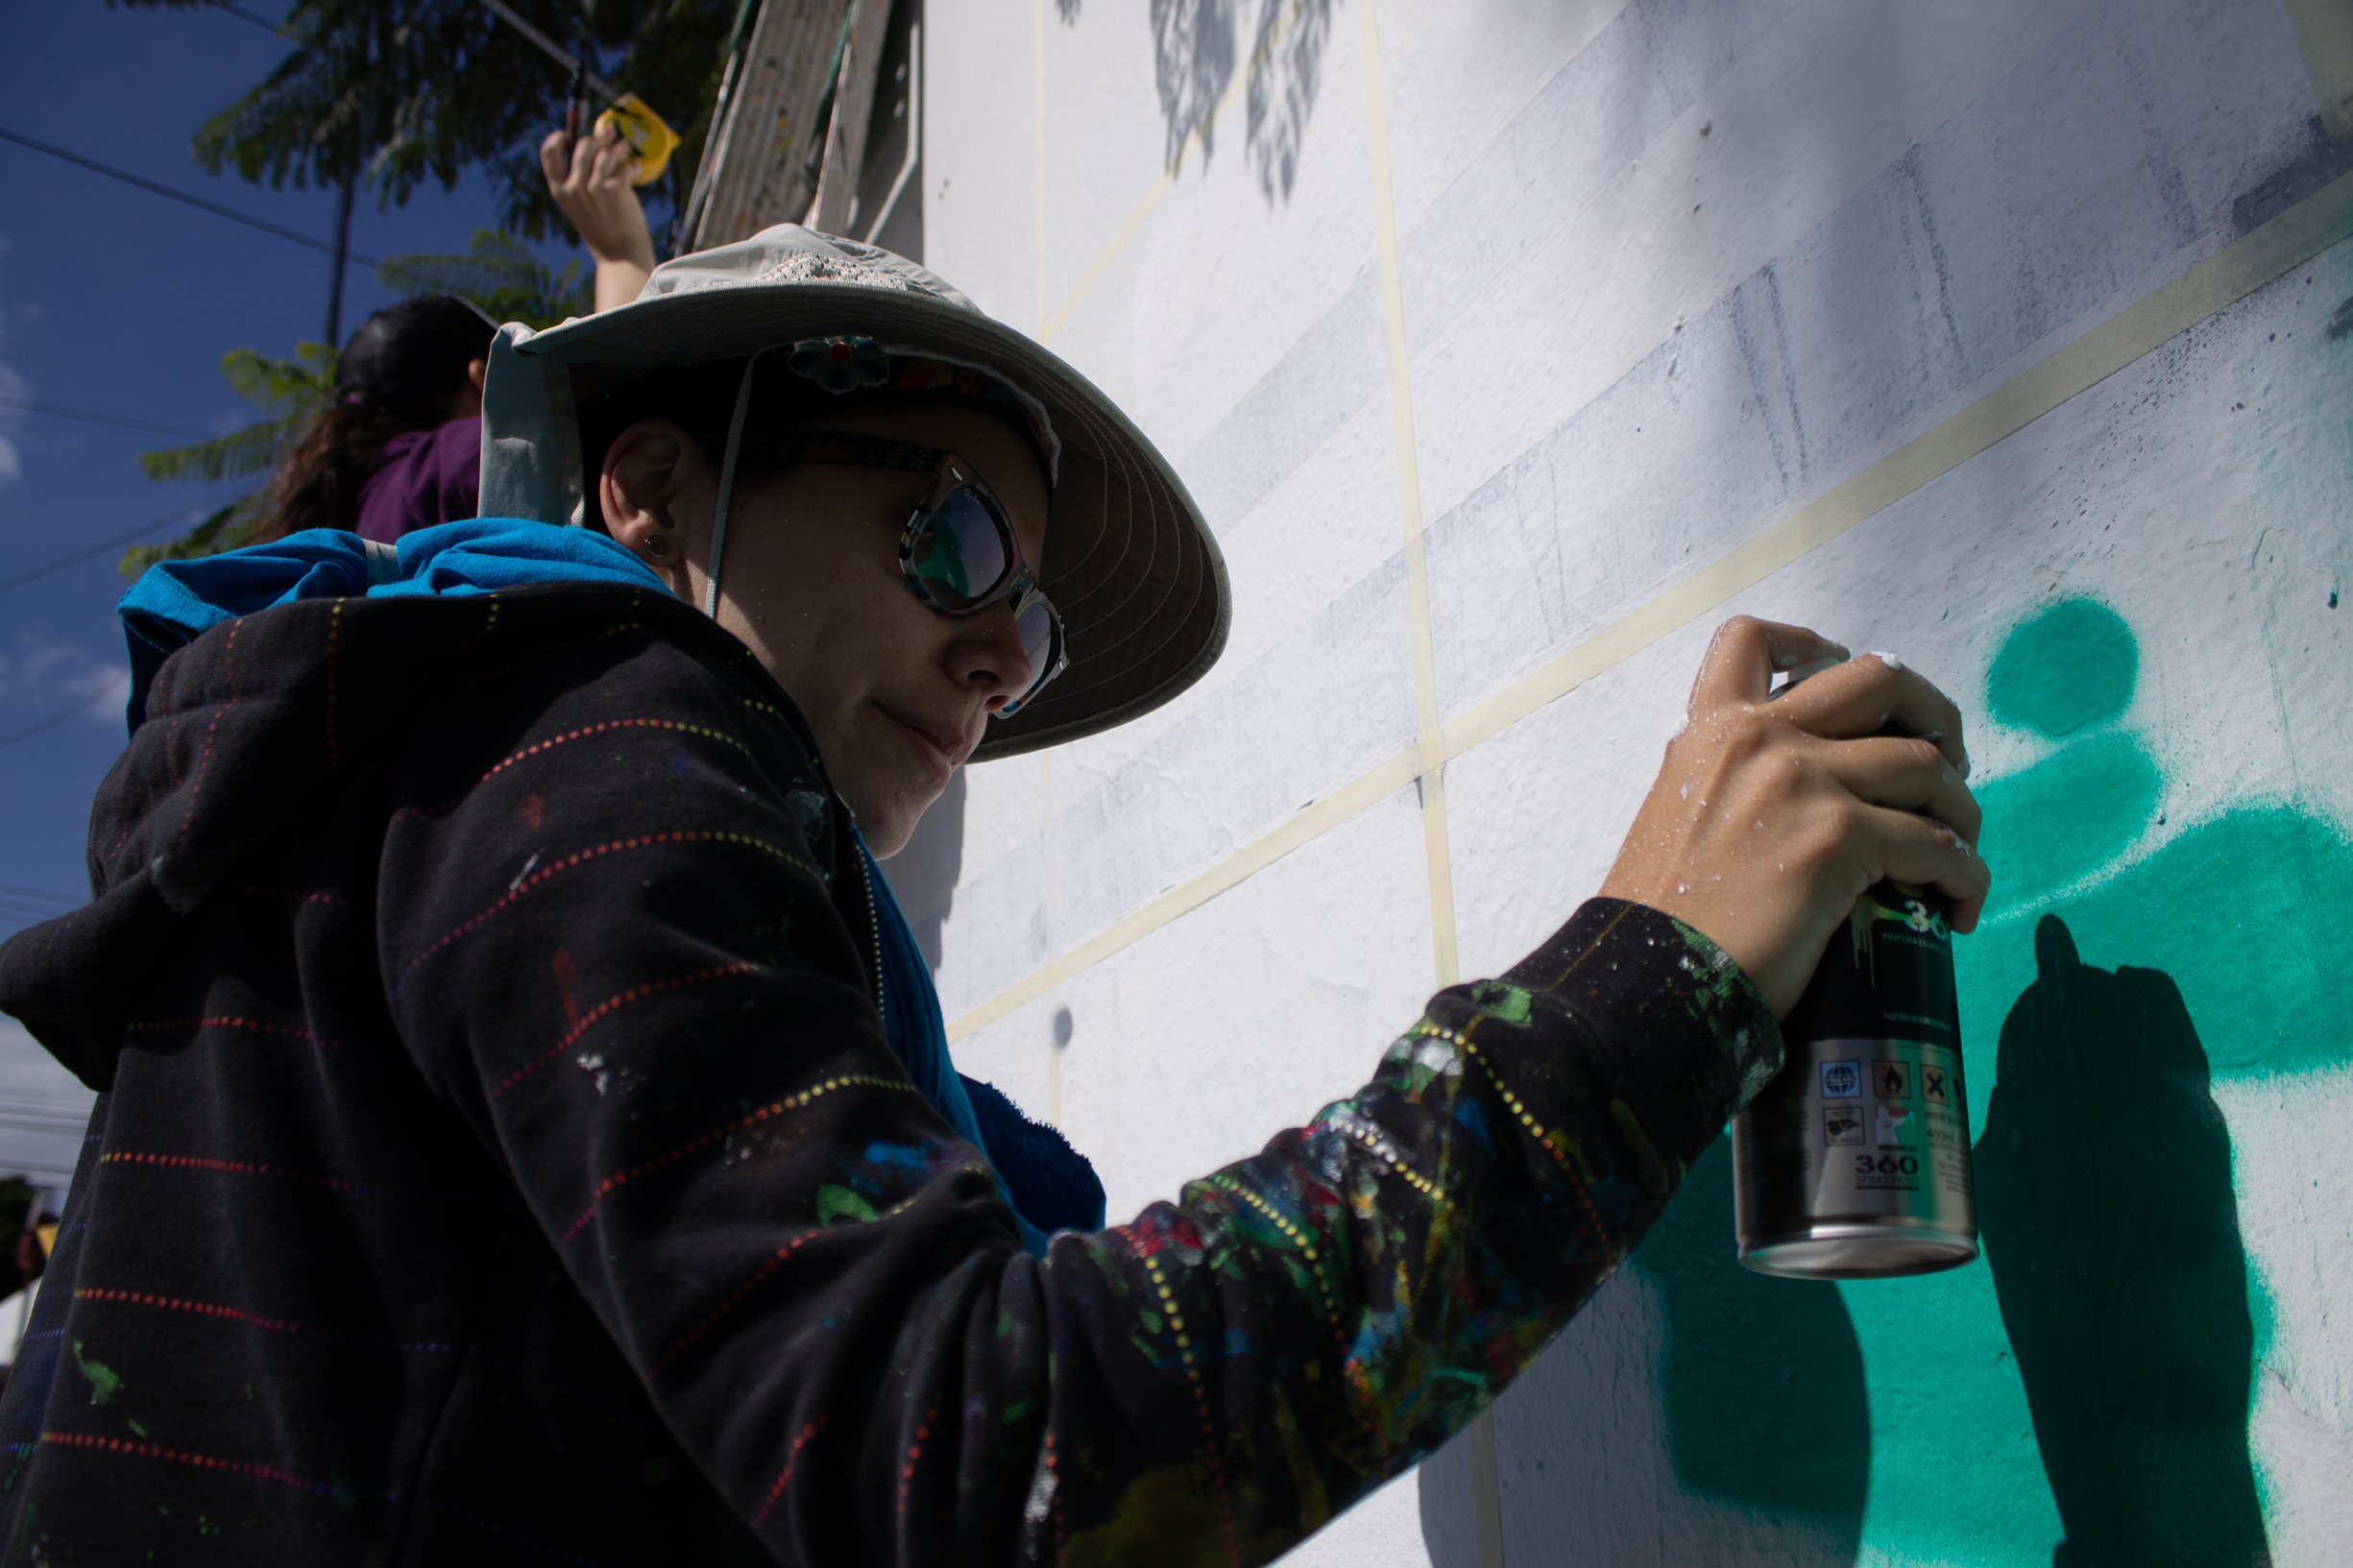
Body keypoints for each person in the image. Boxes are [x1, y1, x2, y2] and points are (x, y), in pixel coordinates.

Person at [0, 227, 1986, 1564]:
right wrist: (1649, 981)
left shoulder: (460, 817)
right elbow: (974, 1452)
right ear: (658, 491)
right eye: (938, 530)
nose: (990, 655)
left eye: (1023, 619)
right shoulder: (586, 739)